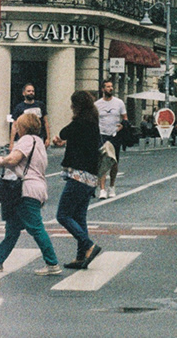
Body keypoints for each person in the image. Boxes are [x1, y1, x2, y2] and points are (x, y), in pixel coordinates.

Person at [0, 113, 60, 275]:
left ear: (23, 127)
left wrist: (2, 161)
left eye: (18, 125)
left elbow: (14, 159)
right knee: (12, 228)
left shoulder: (26, 140)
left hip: (26, 190)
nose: (16, 128)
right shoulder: (38, 142)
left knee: (36, 228)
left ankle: (52, 264)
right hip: (36, 187)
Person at [50, 90, 104, 270]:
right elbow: (76, 141)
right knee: (79, 217)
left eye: (73, 104)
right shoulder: (92, 123)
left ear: (77, 106)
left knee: (63, 215)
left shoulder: (80, 122)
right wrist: (65, 142)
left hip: (78, 176)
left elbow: (64, 132)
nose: (71, 107)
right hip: (91, 177)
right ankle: (82, 257)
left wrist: (62, 139)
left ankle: (88, 245)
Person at [94, 80, 127, 199]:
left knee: (114, 162)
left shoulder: (119, 103)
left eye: (111, 86)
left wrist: (123, 125)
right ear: (103, 89)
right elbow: (94, 119)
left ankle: (112, 186)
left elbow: (124, 117)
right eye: (108, 87)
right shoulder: (97, 104)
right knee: (102, 160)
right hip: (102, 135)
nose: (110, 88)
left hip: (115, 135)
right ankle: (102, 189)